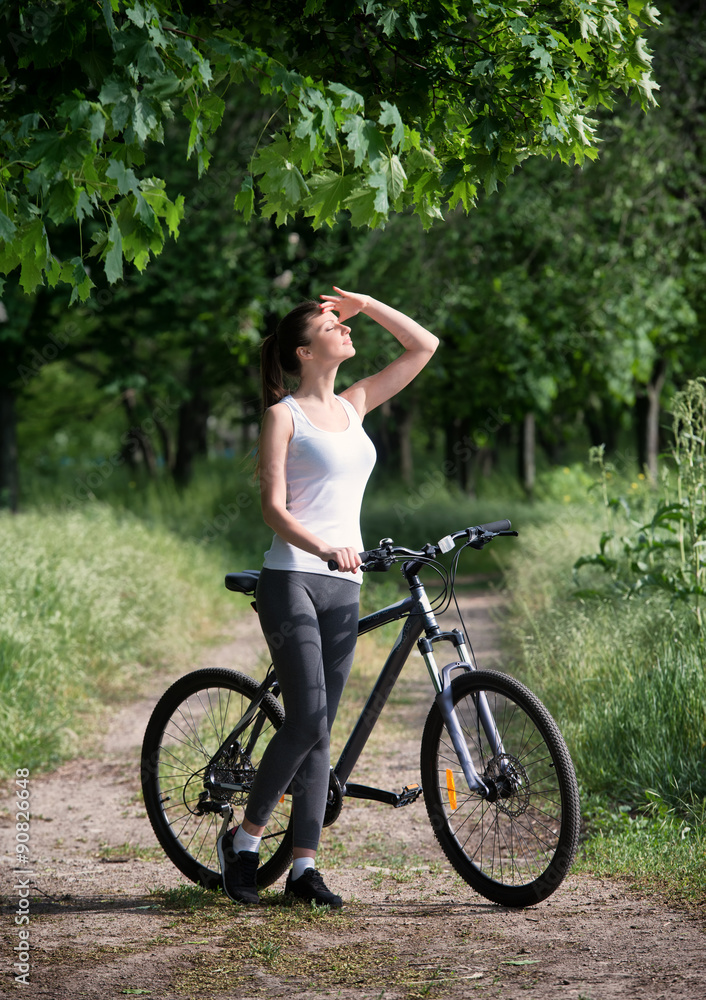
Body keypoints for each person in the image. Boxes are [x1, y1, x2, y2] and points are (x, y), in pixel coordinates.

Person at [217, 286, 439, 907]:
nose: (342, 328)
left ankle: (304, 869)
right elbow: (272, 508)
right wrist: (321, 549)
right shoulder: (282, 416)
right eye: (331, 323)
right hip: (293, 576)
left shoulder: (356, 403)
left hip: (345, 584)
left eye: (344, 322)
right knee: (309, 717)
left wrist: (367, 304)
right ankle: (245, 842)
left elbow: (424, 345)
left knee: (320, 730)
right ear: (304, 350)